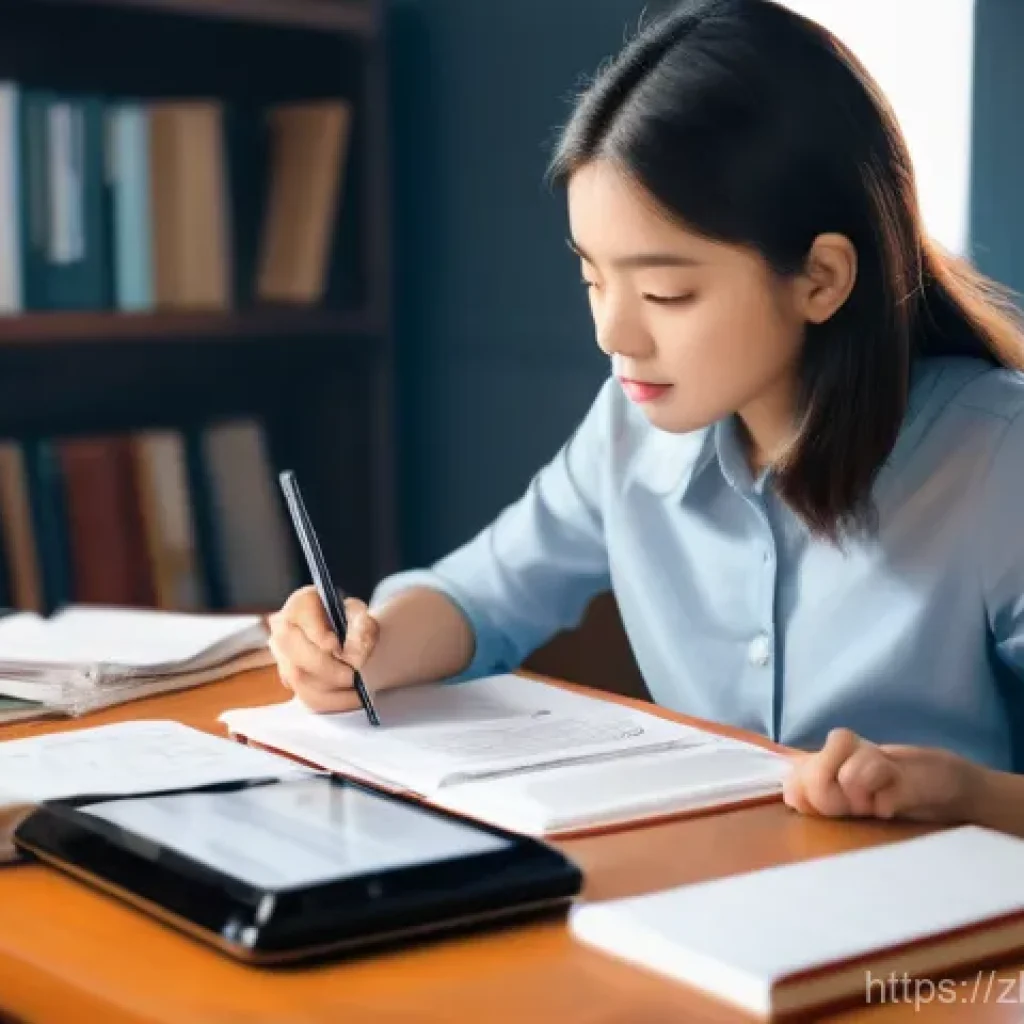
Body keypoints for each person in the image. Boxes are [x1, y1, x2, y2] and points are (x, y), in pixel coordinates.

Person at [268, 0, 1024, 835]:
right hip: (707, 904)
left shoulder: (996, 461)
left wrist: (962, 794)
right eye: (594, 279)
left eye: (666, 292)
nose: (612, 333)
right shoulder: (628, 433)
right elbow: (480, 598)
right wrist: (359, 650)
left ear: (820, 278)